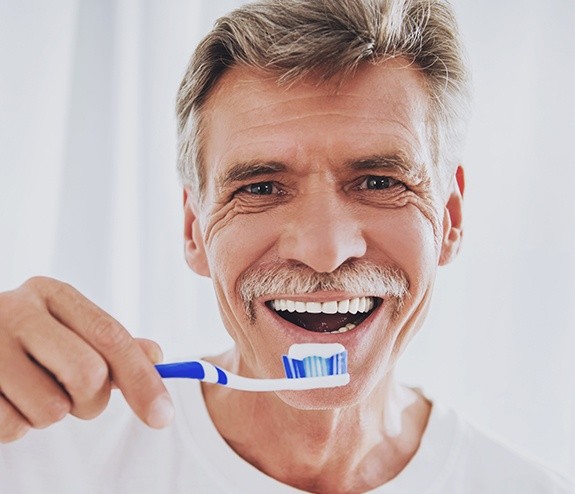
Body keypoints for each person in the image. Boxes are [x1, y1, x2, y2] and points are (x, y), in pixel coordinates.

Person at [0, 0, 573, 492]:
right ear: (193, 228)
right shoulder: (35, 458)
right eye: (261, 187)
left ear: (448, 216)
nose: (325, 251)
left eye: (379, 182)